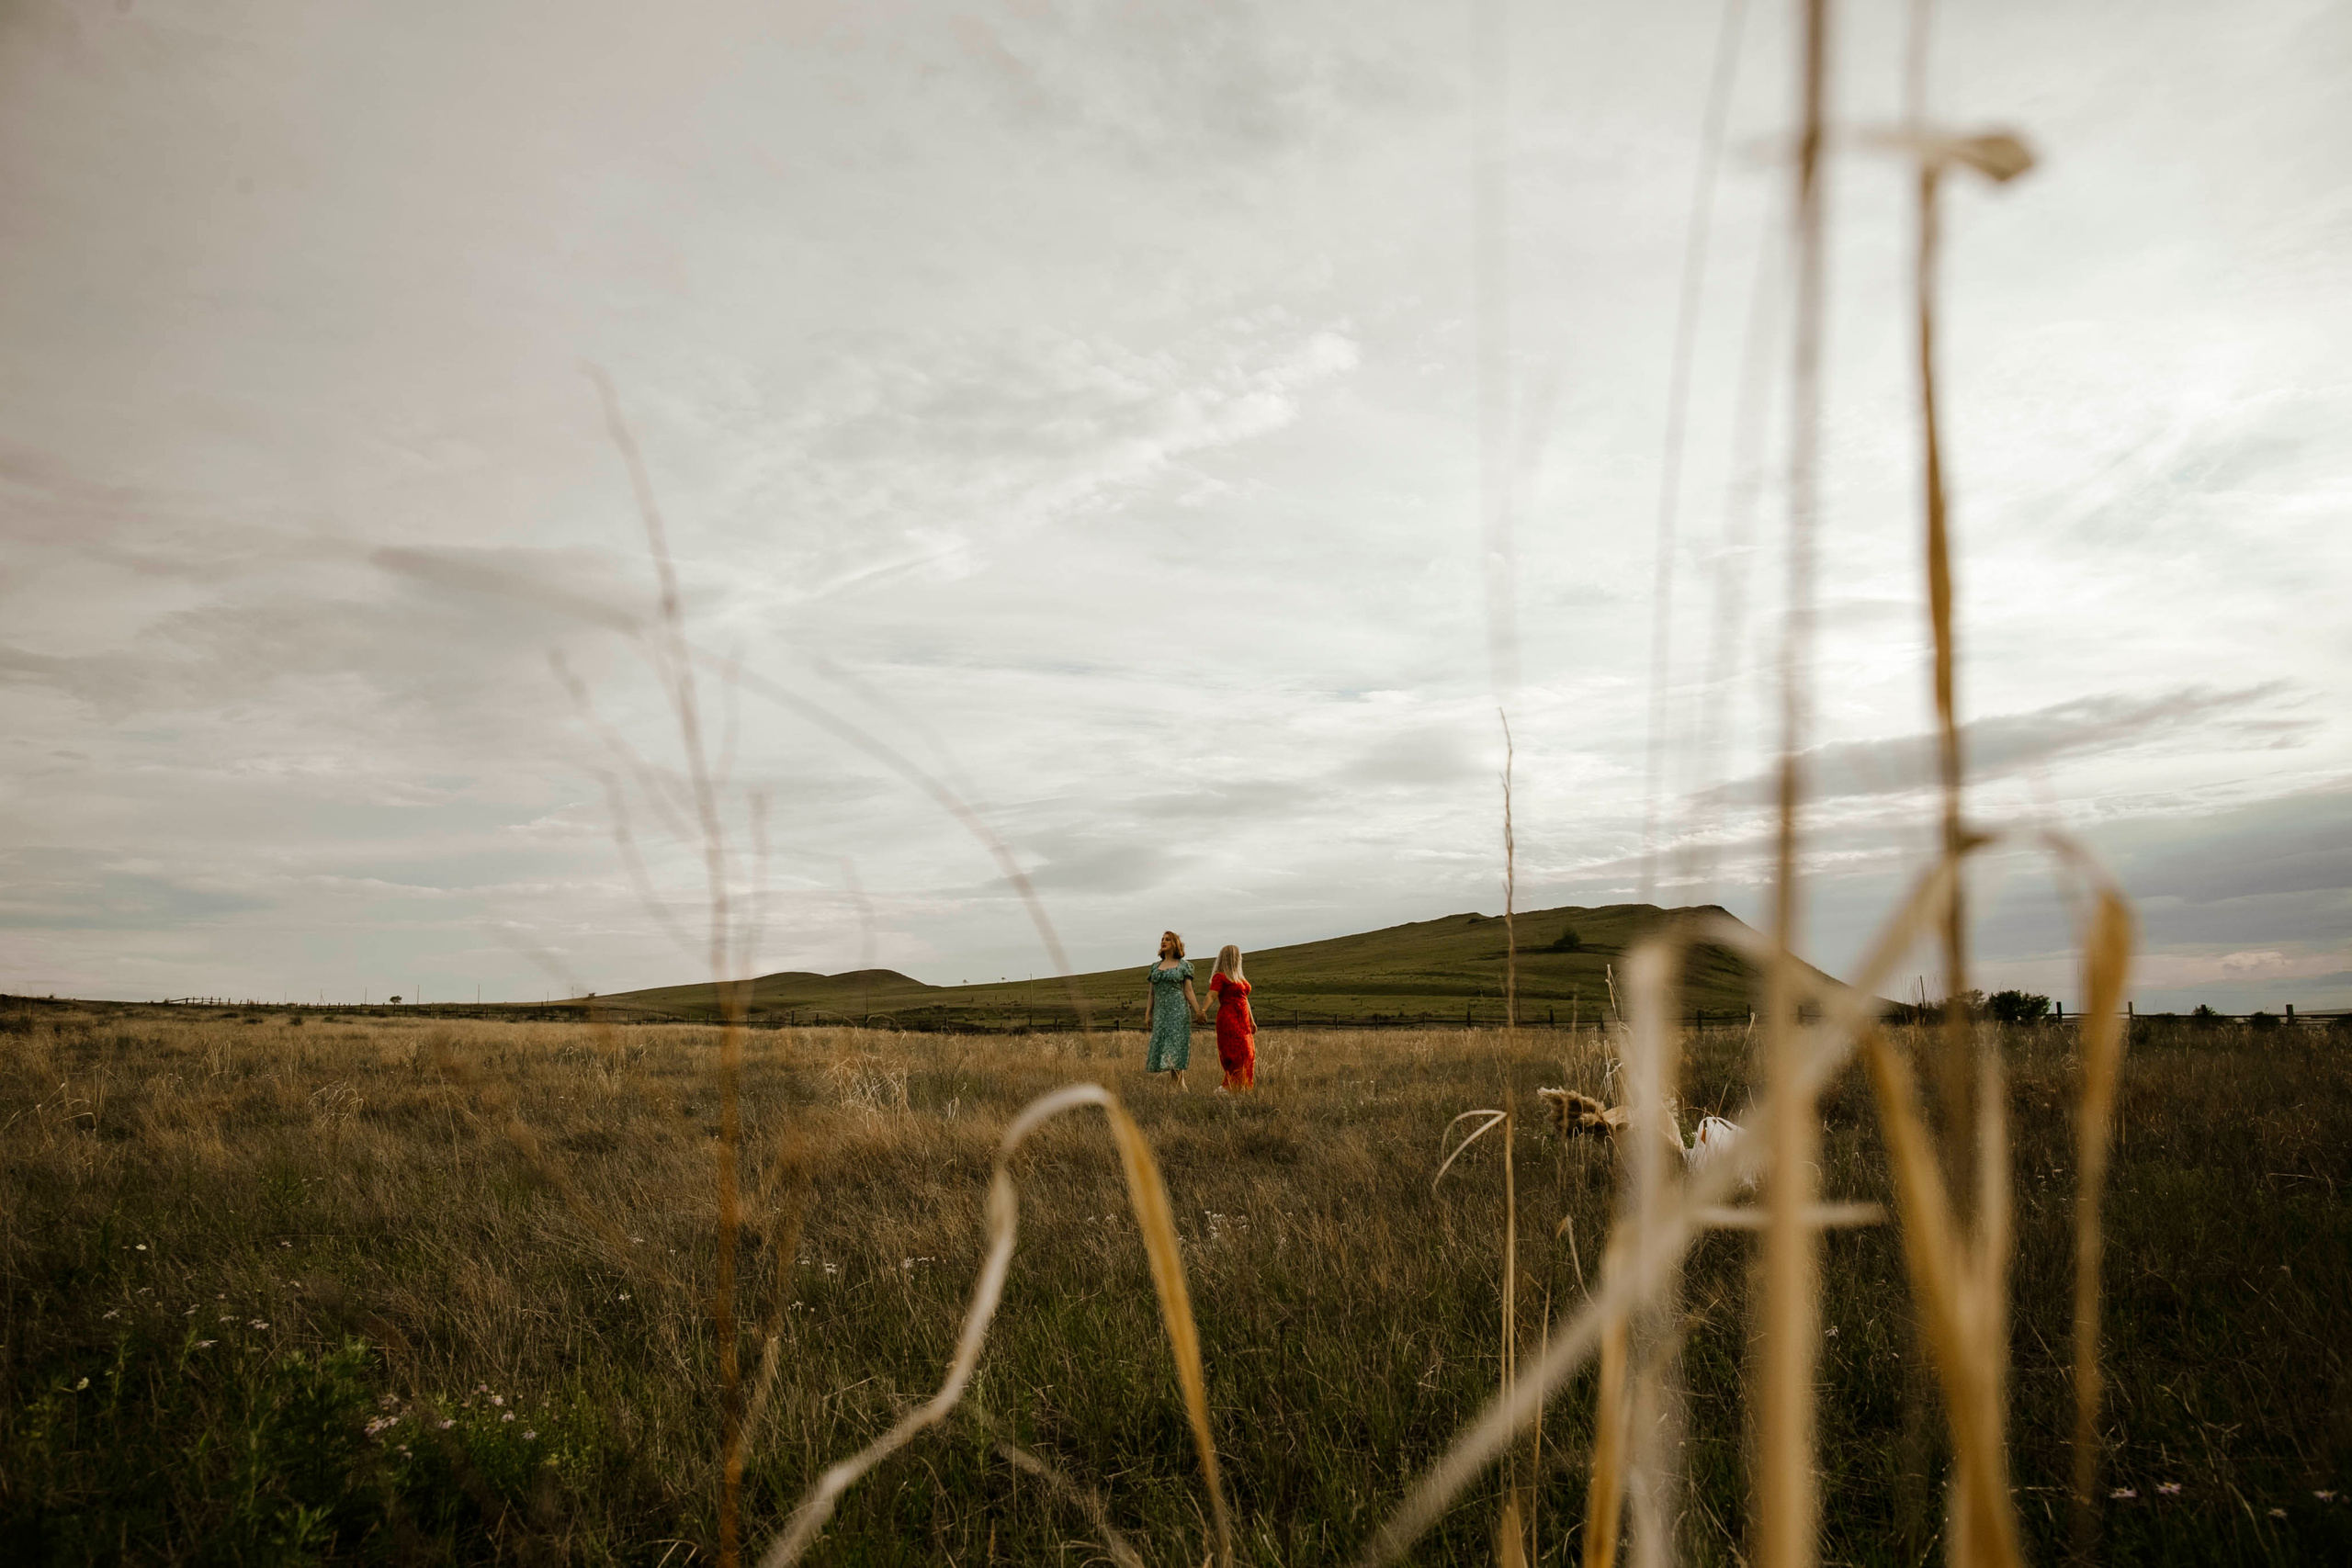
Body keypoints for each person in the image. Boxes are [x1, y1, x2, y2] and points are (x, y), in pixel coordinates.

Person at [1143, 931, 1203, 1089]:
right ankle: (1181, 1085)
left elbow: (1188, 990)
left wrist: (1198, 1010)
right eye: (1162, 939)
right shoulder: (1155, 967)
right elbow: (1151, 993)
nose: (1163, 942)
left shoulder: (1184, 966)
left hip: (1179, 1011)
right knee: (1164, 1045)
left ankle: (1176, 1085)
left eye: (1167, 939)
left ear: (1174, 943)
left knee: (1176, 1045)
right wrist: (1148, 1014)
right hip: (1161, 1013)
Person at [1206, 944, 1257, 1091]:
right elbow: (1212, 994)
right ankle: (1229, 1088)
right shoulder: (1220, 976)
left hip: (1244, 1021)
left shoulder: (1239, 977)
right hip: (1229, 1018)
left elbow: (1245, 998)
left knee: (1248, 1054)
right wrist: (1203, 1010)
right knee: (1237, 1053)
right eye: (1237, 955)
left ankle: (1242, 1088)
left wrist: (1252, 1020)